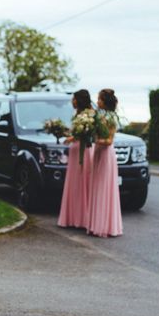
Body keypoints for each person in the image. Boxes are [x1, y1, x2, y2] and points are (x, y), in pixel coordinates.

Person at [87, 89, 123, 237]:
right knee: (96, 187)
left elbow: (108, 141)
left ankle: (104, 226)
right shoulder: (98, 116)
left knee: (103, 188)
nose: (97, 102)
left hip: (105, 154)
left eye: (99, 99)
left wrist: (93, 140)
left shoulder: (111, 118)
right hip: (97, 153)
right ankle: (95, 224)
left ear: (105, 101)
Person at [58, 89, 95, 229]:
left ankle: (82, 218)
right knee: (74, 183)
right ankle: (71, 217)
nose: (72, 101)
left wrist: (72, 138)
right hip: (74, 152)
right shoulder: (77, 114)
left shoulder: (89, 115)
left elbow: (87, 134)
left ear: (79, 100)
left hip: (83, 152)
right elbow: (76, 131)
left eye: (73, 99)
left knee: (82, 182)